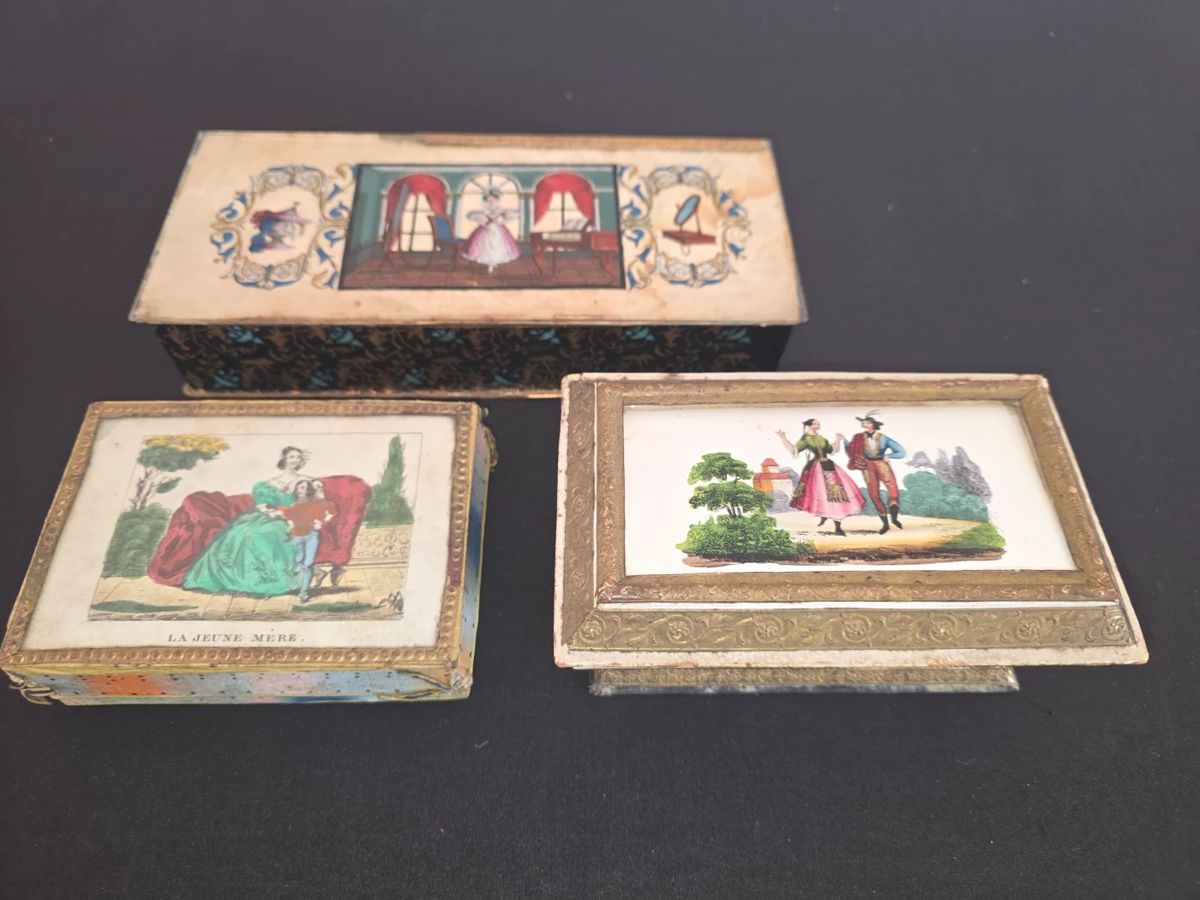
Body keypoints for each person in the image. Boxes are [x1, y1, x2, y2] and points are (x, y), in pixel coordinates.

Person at [181, 446, 313, 596]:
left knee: (263, 533)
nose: (295, 460)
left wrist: (289, 515)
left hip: (292, 518)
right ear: (284, 459)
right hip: (266, 516)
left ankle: (268, 580)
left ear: (302, 460)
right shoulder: (269, 484)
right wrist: (270, 512)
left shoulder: (306, 481)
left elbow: (314, 503)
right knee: (240, 532)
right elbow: (262, 505)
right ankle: (233, 578)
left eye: (298, 457)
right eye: (291, 457)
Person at [775, 419, 864, 536]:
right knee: (821, 493)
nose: (818, 425)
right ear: (809, 425)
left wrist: (837, 440)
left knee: (836, 495)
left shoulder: (821, 438)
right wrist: (783, 438)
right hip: (816, 470)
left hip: (829, 467)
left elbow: (833, 451)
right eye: (815, 423)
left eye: (818, 423)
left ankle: (837, 526)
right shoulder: (806, 438)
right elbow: (794, 452)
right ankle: (827, 518)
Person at [845, 411, 907, 534]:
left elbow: (901, 452)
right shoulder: (858, 437)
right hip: (868, 467)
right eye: (864, 423)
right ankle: (885, 524)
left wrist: (889, 455)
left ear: (874, 424)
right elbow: (850, 451)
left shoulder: (883, 438)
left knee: (893, 492)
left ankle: (894, 518)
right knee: (874, 495)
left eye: (867, 422)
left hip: (882, 465)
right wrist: (844, 442)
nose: (864, 424)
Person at [279, 479, 338, 603]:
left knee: (308, 564)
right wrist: (289, 525)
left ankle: (304, 593)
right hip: (297, 537)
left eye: (303, 488)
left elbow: (332, 511)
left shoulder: (315, 504)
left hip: (311, 536)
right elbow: (288, 518)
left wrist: (321, 522)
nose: (300, 490)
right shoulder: (293, 505)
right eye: (298, 488)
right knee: (298, 562)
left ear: (309, 490)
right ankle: (301, 584)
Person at [461, 187, 521, 273]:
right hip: (486, 229)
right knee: (483, 244)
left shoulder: (500, 209)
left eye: (492, 199)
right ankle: (489, 263)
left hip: (498, 229)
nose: (491, 201)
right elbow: (475, 217)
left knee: (498, 243)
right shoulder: (485, 210)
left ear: (496, 200)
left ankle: (494, 262)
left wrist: (500, 221)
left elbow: (509, 218)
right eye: (489, 200)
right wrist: (484, 223)